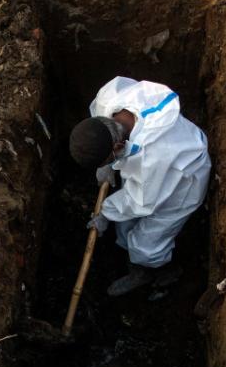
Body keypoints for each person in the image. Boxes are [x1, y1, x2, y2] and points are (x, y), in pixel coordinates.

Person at [68, 76, 211, 296]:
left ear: (116, 146)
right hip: (148, 167)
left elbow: (142, 201)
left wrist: (106, 212)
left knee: (145, 247)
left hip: (183, 178)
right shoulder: (110, 101)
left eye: (108, 160)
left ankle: (162, 272)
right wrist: (108, 166)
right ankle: (132, 258)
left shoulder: (153, 158)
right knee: (125, 225)